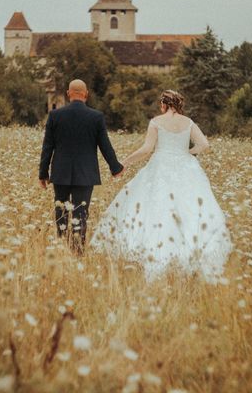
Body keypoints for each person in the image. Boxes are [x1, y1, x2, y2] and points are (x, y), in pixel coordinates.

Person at [90, 90, 232, 282]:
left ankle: (153, 254)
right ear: (178, 104)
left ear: (163, 104)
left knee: (155, 207)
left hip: (160, 166)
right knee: (188, 208)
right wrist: (187, 153)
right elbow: (204, 144)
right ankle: (191, 253)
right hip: (185, 166)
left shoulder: (156, 122)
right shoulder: (188, 122)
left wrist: (125, 162)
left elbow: (147, 149)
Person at [39, 79, 124, 254]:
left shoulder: (55, 115)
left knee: (61, 210)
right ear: (86, 94)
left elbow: (47, 146)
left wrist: (43, 173)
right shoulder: (96, 117)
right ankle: (77, 251)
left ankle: (61, 247)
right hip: (86, 174)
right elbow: (105, 145)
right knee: (80, 213)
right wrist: (115, 168)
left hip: (60, 172)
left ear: (69, 94)